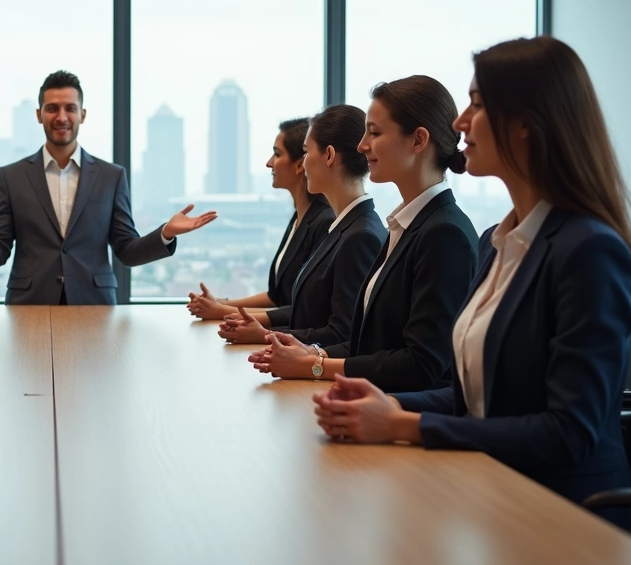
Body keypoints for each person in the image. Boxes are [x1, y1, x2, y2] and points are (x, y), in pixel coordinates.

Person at [312, 37, 631, 527]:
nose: (461, 122)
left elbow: (569, 434)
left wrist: (406, 423)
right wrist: (384, 401)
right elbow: (476, 397)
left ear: (529, 124)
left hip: (567, 517)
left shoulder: (589, 250)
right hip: (489, 492)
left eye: (479, 104)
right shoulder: (495, 242)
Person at [249, 75, 478, 392]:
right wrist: (312, 353)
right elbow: (368, 345)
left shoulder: (444, 233)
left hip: (390, 418)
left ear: (418, 141)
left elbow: (422, 365)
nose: (361, 146)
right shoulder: (408, 225)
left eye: (375, 132)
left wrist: (316, 365)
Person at [0, 70, 216, 305]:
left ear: (82, 114)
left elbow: (127, 251)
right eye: (52, 108)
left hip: (94, 307)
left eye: (70, 107)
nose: (61, 116)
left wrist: (166, 233)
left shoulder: (112, 176)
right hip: (29, 306)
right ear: (39, 114)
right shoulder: (11, 177)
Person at [218, 105, 384, 345]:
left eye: (306, 152)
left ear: (328, 156)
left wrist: (266, 335)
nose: (303, 164)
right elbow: (307, 317)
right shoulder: (342, 226)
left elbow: (343, 334)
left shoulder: (360, 235)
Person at [186, 117, 333, 320]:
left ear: (299, 165)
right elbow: (277, 298)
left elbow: (302, 310)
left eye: (277, 154)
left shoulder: (324, 222)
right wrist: (221, 303)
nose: (269, 162)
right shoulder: (300, 217)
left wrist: (221, 312)